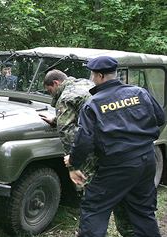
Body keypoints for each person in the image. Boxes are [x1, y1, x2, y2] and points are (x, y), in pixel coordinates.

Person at [69, 56, 164, 237]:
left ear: (100, 76)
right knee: (143, 211)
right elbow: (160, 118)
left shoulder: (93, 103)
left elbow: (84, 140)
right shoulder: (139, 92)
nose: (91, 78)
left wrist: (74, 164)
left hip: (117, 165)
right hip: (147, 159)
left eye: (92, 75)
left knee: (94, 208)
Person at [39, 69, 134, 236]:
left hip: (95, 153)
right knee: (122, 196)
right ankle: (130, 231)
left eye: (49, 90)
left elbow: (68, 134)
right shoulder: (86, 83)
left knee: (92, 200)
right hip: (120, 148)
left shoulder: (66, 96)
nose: (50, 94)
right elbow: (86, 111)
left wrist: (73, 164)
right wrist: (57, 119)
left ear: (55, 83)